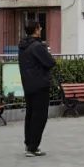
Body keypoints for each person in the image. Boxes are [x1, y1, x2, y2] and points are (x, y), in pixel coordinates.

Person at [18, 20, 56, 157]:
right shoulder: (37, 46)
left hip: (28, 84)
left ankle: (29, 144)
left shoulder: (22, 46)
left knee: (30, 115)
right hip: (40, 85)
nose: (41, 29)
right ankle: (33, 147)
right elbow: (50, 62)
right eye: (39, 27)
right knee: (39, 117)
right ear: (35, 29)